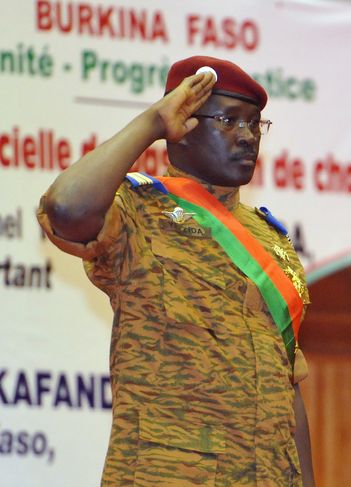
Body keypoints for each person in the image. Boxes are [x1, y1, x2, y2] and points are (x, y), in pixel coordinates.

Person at [38, 56, 315, 486]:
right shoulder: (139, 211)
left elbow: (288, 385)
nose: (246, 137)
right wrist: (150, 123)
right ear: (183, 124)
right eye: (229, 120)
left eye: (255, 124)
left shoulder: (273, 241)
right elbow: (66, 208)